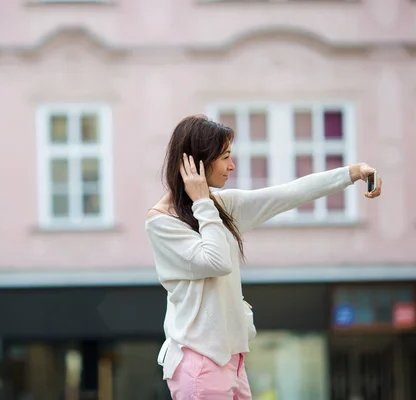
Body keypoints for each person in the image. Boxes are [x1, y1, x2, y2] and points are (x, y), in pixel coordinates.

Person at [144, 115, 382, 400]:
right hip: (200, 361)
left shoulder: (221, 205)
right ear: (198, 162)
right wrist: (203, 203)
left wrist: (352, 173)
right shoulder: (162, 222)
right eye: (225, 157)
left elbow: (286, 194)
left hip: (232, 360)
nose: (232, 166)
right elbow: (217, 262)